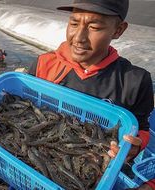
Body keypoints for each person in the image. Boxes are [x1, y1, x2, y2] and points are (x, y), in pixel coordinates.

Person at [21, 0, 154, 162]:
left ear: (118, 30)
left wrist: (135, 146)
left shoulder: (135, 81)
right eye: (74, 23)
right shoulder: (44, 63)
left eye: (94, 27)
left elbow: (142, 128)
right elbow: (21, 104)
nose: (79, 37)